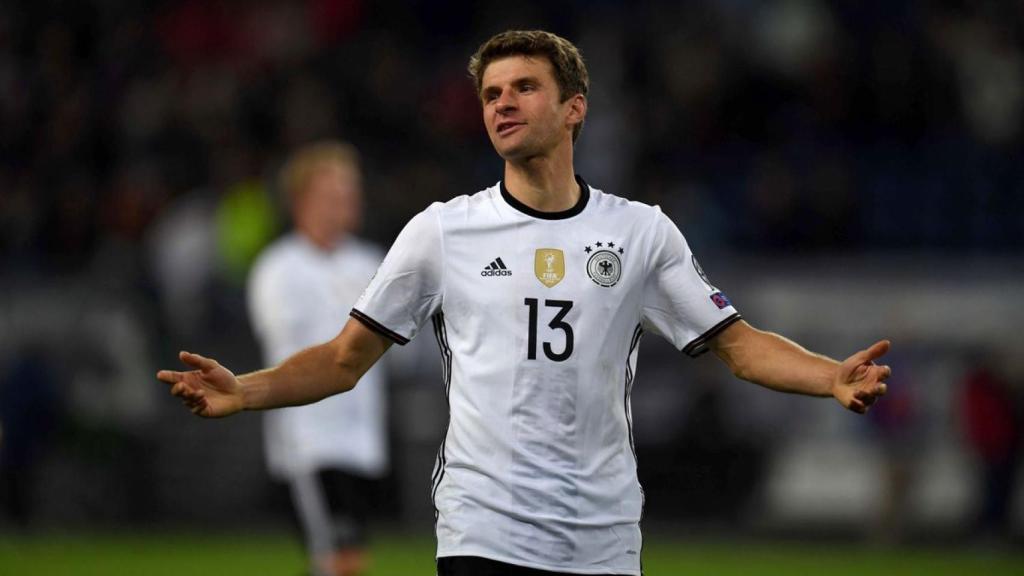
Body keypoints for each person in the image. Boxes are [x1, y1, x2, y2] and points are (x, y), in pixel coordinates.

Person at [159, 30, 891, 576]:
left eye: (523, 88)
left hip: (604, 536)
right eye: (490, 94)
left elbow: (739, 344)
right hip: (485, 529)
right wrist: (246, 390)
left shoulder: (641, 232)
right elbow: (344, 359)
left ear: (574, 109)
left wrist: (828, 376)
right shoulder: (443, 231)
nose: (502, 102)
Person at [246, 141, 388, 576]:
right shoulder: (278, 269)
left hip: (362, 438)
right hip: (309, 439)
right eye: (335, 193)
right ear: (301, 200)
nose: (347, 202)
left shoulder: (372, 262)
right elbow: (288, 348)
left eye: (351, 191)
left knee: (348, 559)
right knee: (336, 561)